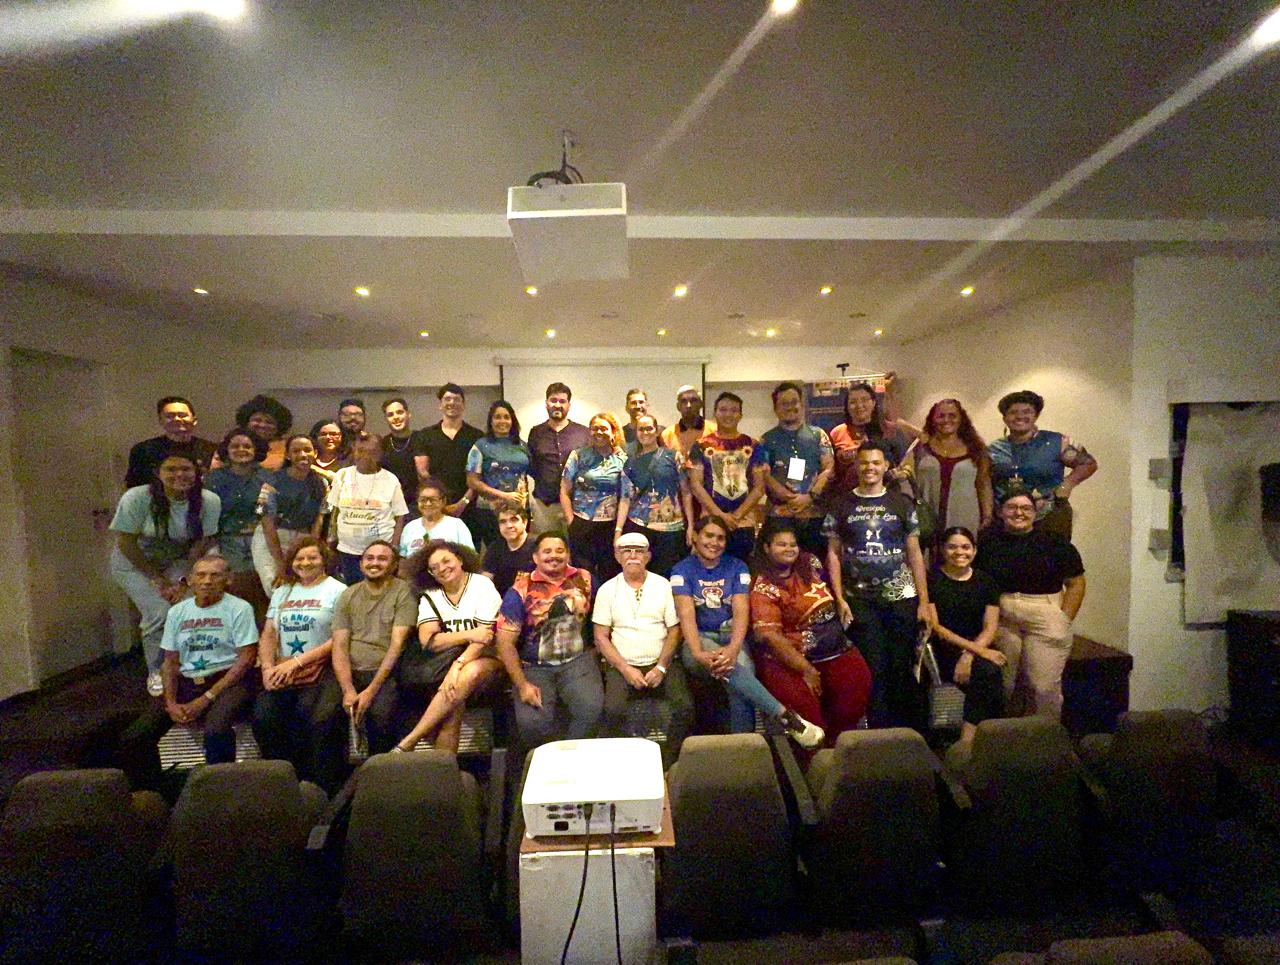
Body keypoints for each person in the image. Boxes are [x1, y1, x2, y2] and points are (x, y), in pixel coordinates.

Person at [672, 515, 824, 746]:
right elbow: (686, 614)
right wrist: (697, 652)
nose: (714, 543)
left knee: (741, 675)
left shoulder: (737, 567)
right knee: (732, 668)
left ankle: (743, 748)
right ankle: (785, 717)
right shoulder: (681, 570)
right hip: (698, 639)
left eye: (721, 538)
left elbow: (741, 610)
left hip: (732, 637)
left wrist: (734, 648)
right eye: (709, 536)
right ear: (695, 536)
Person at [116, 555, 257, 788]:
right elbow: (170, 662)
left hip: (228, 681)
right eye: (201, 575)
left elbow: (246, 658)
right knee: (135, 737)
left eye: (215, 575)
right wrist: (170, 702)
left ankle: (222, 791)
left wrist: (206, 698)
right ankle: (154, 795)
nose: (207, 581)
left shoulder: (240, 609)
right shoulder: (177, 612)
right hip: (187, 682)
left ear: (228, 579)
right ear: (190, 580)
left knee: (216, 730)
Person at [824, 443, 931, 730]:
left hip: (902, 597)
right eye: (864, 463)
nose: (869, 468)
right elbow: (833, 553)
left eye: (875, 463)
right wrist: (839, 597)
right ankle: (878, 734)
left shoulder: (902, 503)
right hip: (859, 599)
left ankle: (906, 734)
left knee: (902, 667)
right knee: (873, 669)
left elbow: (915, 553)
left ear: (885, 466)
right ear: (856, 467)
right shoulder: (841, 504)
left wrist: (924, 601)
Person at [749, 520, 872, 747]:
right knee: (809, 720)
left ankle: (839, 750)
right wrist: (806, 670)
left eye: (793, 544)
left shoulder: (810, 562)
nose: (789, 549)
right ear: (766, 548)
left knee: (857, 682)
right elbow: (769, 636)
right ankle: (813, 760)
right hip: (790, 659)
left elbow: (831, 584)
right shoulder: (763, 587)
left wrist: (840, 600)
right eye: (781, 544)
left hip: (834, 648)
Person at [110, 451, 220, 695]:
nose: (179, 474)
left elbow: (201, 542)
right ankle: (157, 670)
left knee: (188, 606)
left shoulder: (209, 500)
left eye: (186, 469)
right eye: (171, 469)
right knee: (159, 613)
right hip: (135, 562)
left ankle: (190, 666)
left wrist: (184, 580)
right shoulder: (137, 497)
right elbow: (126, 542)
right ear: (157, 473)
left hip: (178, 560)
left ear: (197, 472)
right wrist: (157, 579)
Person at [975, 490, 1086, 719]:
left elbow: (1076, 583)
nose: (1019, 513)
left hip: (1044, 614)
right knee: (1006, 686)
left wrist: (1063, 618)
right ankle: (1006, 735)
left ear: (1035, 513)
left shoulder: (1055, 543)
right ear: (1000, 512)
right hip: (1004, 618)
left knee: (1043, 687)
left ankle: (1044, 735)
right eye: (1012, 507)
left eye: (1026, 508)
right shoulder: (987, 543)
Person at [250, 537, 348, 792]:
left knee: (314, 719)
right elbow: (269, 633)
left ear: (324, 560)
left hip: (322, 668)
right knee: (263, 717)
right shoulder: (282, 591)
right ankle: (283, 785)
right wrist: (267, 669)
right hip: (283, 669)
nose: (305, 563)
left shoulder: (338, 590)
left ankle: (321, 789)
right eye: (299, 558)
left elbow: (339, 638)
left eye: (312, 557)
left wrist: (296, 662)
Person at [592, 533, 692, 768]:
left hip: (662, 662)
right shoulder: (607, 590)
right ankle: (626, 763)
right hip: (622, 665)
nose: (633, 555)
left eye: (639, 550)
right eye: (626, 551)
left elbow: (674, 630)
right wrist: (626, 669)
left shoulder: (663, 585)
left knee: (685, 708)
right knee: (612, 711)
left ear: (648, 556)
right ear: (617, 556)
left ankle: (667, 763)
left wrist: (661, 667)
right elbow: (601, 637)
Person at [495, 532, 602, 748]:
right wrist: (522, 684)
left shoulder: (586, 579)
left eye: (559, 551)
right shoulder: (520, 590)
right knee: (532, 723)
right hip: (534, 666)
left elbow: (603, 617)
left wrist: (595, 650)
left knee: (592, 710)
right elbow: (505, 643)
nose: (554, 556)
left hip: (577, 661)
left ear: (568, 555)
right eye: (547, 551)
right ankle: (545, 760)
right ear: (535, 557)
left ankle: (571, 756)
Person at [394, 541, 503, 753]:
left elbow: (485, 638)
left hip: (488, 660)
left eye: (446, 561)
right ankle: (445, 770)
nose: (442, 568)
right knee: (452, 711)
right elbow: (428, 640)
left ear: (460, 560)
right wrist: (469, 634)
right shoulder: (431, 594)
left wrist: (457, 665)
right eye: (435, 567)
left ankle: (410, 740)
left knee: (469, 672)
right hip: (443, 668)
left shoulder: (481, 585)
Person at [330, 541, 418, 754]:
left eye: (382, 559)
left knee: (380, 717)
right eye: (369, 558)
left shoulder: (404, 592)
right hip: (350, 674)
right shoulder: (348, 595)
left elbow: (397, 645)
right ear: (361, 564)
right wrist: (347, 689)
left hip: (386, 673)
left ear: (394, 565)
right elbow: (339, 644)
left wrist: (370, 691)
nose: (374, 563)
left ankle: (379, 771)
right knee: (322, 716)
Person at [926, 527, 1006, 751]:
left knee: (991, 672)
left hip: (978, 645)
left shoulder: (986, 581)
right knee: (987, 673)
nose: (959, 552)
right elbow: (937, 628)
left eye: (965, 547)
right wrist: (977, 652)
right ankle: (967, 742)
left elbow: (990, 627)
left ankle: (974, 738)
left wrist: (970, 654)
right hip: (944, 647)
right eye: (952, 547)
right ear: (942, 550)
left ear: (974, 550)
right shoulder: (931, 579)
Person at [988, 390, 1097, 540]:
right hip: (1008, 521)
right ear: (1004, 418)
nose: (1019, 416)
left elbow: (1088, 464)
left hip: (1049, 517)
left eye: (1027, 412)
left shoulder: (1056, 442)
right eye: (1013, 412)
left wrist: (1066, 485)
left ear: (1036, 416)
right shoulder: (994, 449)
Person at [687, 392, 767, 562]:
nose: (728, 414)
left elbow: (759, 488)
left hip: (743, 522)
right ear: (715, 413)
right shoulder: (701, 445)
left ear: (740, 415)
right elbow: (695, 485)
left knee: (742, 571)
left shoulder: (753, 445)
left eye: (733, 410)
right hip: (710, 523)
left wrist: (736, 516)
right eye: (723, 410)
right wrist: (720, 516)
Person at [761, 381, 836, 556]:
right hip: (779, 518)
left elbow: (828, 468)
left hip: (814, 517)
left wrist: (809, 497)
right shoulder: (766, 440)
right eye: (784, 403)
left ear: (802, 405)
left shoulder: (819, 435)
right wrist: (787, 496)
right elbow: (764, 474)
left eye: (794, 402)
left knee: (815, 565)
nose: (790, 407)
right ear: (775, 408)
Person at [325, 432, 409, 585]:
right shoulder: (342, 476)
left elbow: (400, 515)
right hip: (348, 552)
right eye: (360, 450)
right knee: (353, 591)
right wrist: (331, 538)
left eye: (371, 452)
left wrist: (394, 548)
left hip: (380, 554)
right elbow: (334, 510)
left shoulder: (391, 480)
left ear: (380, 454)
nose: (364, 456)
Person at [251, 433, 328, 594]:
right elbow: (266, 522)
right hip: (273, 537)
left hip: (303, 539)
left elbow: (319, 518)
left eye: (307, 450)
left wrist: (311, 548)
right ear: (287, 455)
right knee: (277, 588)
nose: (303, 454)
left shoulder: (321, 483)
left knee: (303, 588)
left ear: (315, 453)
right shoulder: (272, 481)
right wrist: (281, 564)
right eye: (296, 451)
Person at [205, 428, 272, 612]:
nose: (241, 450)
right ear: (226, 450)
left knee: (263, 586)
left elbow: (269, 508)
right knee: (236, 586)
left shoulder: (268, 477)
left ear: (255, 450)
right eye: (235, 446)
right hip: (228, 539)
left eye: (247, 446)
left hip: (260, 538)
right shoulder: (213, 478)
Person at [617, 414, 691, 577]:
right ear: (636, 433)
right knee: (639, 575)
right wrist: (618, 530)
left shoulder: (673, 457)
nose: (645, 432)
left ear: (657, 431)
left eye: (649, 428)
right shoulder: (630, 463)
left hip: (671, 529)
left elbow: (686, 493)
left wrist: (691, 526)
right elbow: (625, 498)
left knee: (668, 575)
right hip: (639, 527)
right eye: (641, 429)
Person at [913, 399, 993, 549]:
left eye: (952, 415)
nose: (946, 420)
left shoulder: (976, 449)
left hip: (964, 516)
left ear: (961, 418)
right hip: (927, 518)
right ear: (932, 419)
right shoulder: (920, 448)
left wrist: (987, 515)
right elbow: (907, 477)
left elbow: (983, 484)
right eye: (941, 416)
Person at [561, 412, 627, 583]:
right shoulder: (578, 455)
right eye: (594, 428)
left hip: (610, 526)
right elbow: (564, 491)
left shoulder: (622, 459)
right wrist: (571, 521)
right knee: (582, 576)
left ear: (613, 432)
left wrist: (619, 529)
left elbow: (625, 496)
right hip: (582, 523)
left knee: (610, 574)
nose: (599, 432)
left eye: (604, 428)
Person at [527, 382, 591, 537]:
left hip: (577, 505)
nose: (557, 405)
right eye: (553, 400)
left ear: (569, 405)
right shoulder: (536, 433)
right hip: (545, 505)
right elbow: (531, 465)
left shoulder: (583, 433)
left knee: (576, 547)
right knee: (546, 547)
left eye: (562, 401)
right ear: (546, 403)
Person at [465, 400, 530, 550]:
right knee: (497, 551)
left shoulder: (522, 445)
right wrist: (503, 496)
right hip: (490, 511)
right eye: (497, 417)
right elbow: (472, 481)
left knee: (520, 549)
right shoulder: (480, 446)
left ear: (512, 420)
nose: (502, 421)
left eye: (506, 417)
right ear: (491, 421)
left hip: (520, 509)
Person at [829, 382, 913, 495]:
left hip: (885, 497)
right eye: (853, 402)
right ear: (847, 406)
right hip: (847, 499)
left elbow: (904, 465)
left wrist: (890, 475)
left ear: (873, 403)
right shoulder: (837, 432)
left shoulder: (890, 431)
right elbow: (832, 471)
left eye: (864, 400)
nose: (859, 405)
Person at [420, 383, 484, 527]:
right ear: (440, 404)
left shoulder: (477, 436)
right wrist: (439, 503)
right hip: (435, 507)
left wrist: (463, 503)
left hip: (469, 508)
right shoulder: (425, 435)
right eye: (447, 399)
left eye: (456, 399)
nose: (452, 403)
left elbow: (479, 475)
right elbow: (423, 473)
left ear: (463, 404)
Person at [125, 396, 217, 488]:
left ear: (194, 420)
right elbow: (134, 486)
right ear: (161, 421)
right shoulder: (143, 450)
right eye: (170, 416)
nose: (177, 419)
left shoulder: (211, 449)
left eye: (182, 415)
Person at [398, 477, 475, 558]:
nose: (428, 504)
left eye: (433, 500)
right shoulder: (410, 528)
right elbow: (403, 558)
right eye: (423, 500)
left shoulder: (456, 525)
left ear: (443, 501)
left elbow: (470, 556)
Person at [379, 397, 431, 506]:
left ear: (408, 414)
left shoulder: (422, 438)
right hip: (391, 504)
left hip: (420, 504)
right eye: (390, 415)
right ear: (386, 419)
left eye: (400, 412)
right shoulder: (383, 443)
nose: (396, 417)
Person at [482, 504, 537, 597]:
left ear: (525, 522)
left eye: (514, 520)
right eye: (503, 522)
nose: (509, 525)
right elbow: (485, 581)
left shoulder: (538, 546)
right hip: (501, 600)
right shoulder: (495, 547)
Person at [233, 394, 292, 472]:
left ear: (279, 427)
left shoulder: (288, 447)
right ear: (247, 422)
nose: (262, 425)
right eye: (257, 420)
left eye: (269, 422)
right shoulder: (232, 443)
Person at [659, 384, 716, 460]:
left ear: (701, 404)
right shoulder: (667, 435)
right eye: (684, 401)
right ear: (678, 406)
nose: (689, 405)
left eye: (693, 401)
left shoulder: (715, 430)